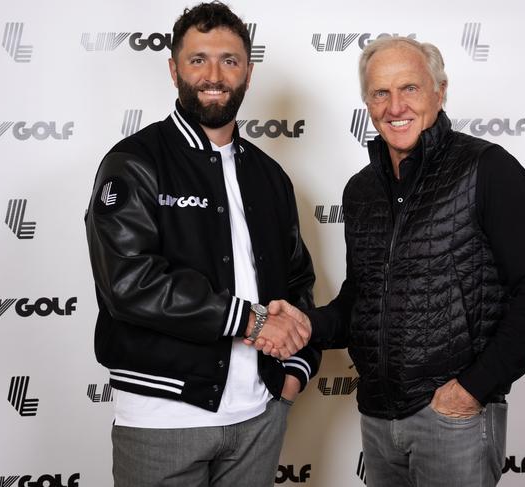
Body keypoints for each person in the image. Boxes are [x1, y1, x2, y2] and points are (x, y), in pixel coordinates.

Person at [259, 37, 525, 487]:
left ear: (439, 92)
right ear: (367, 101)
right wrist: (305, 324)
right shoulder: (360, 191)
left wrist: (473, 389)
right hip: (379, 420)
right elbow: (361, 301)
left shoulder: (488, 169)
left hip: (452, 417)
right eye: (380, 92)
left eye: (410, 89)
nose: (394, 105)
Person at [85, 2, 319, 486]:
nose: (214, 75)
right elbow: (128, 282)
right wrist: (249, 321)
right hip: (163, 419)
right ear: (174, 69)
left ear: (248, 74)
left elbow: (298, 281)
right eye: (198, 60)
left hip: (259, 416)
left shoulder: (269, 176)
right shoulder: (134, 162)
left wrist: (292, 376)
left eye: (229, 61)